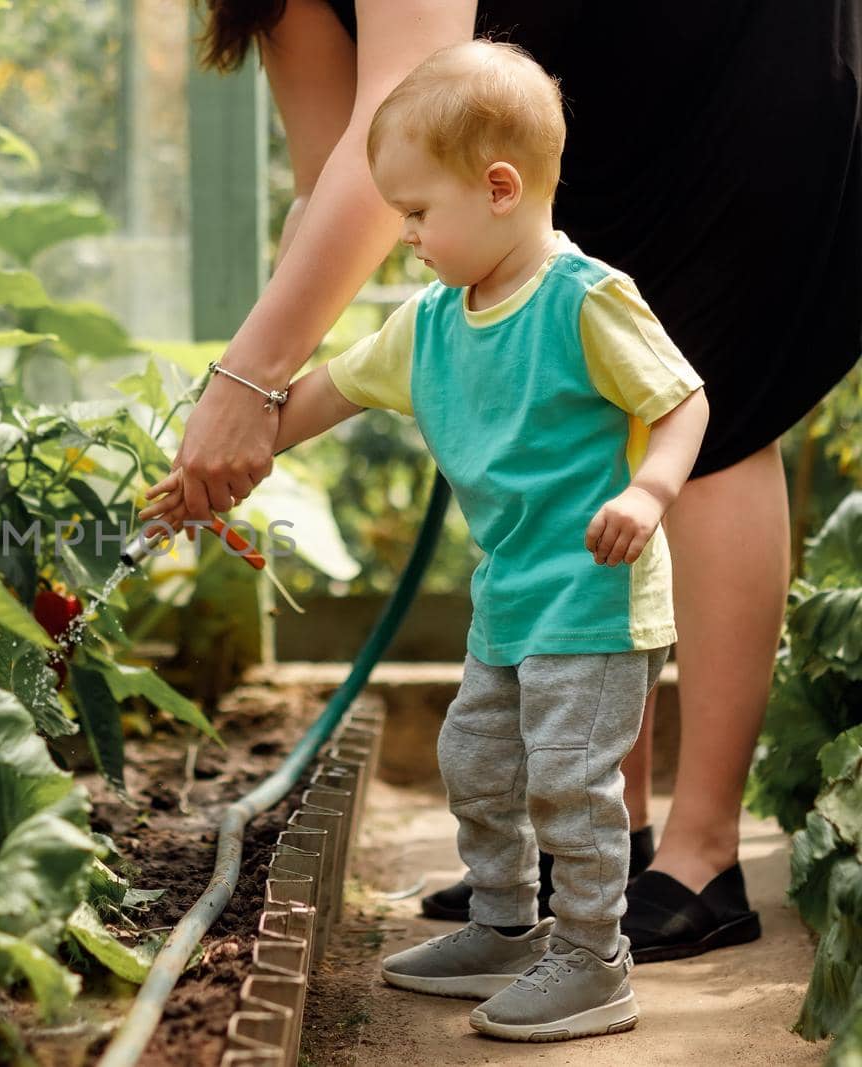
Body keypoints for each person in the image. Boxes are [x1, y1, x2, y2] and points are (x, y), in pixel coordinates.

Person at [161, 0, 862, 962]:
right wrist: (272, 392)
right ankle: (616, 837)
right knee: (577, 392)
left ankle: (705, 854)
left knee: (701, 394)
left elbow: (398, 128)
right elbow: (352, 174)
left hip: (730, 53)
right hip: (567, 105)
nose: (414, 232)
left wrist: (245, 378)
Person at [143, 40, 708, 1040]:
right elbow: (315, 397)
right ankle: (502, 925)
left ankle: (592, 957)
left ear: (498, 188)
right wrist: (211, 474)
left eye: (415, 212)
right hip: (509, 598)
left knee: (570, 781)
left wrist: (652, 492)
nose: (404, 236)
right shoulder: (432, 323)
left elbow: (682, 401)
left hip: (590, 592)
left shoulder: (586, 299)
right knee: (476, 758)